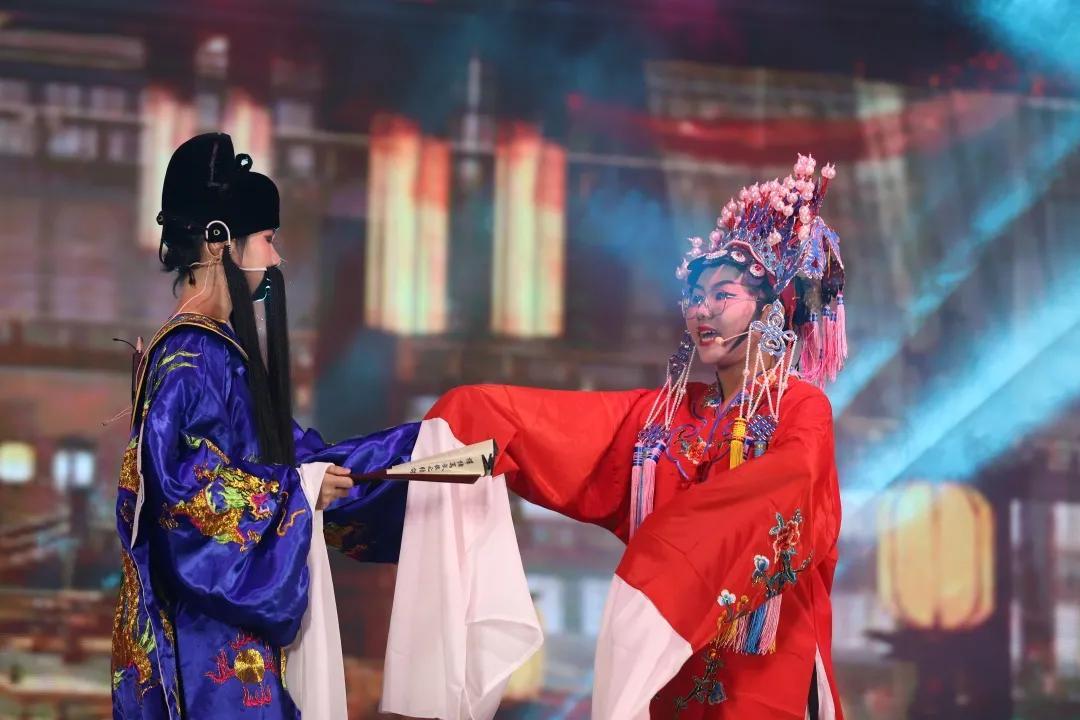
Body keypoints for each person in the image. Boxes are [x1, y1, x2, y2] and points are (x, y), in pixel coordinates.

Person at [382, 154, 847, 719]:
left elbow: (791, 486)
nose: (701, 310)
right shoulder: (666, 415)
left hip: (762, 668)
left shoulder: (802, 407)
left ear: (773, 309)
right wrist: (453, 428)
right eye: (695, 296)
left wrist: (668, 557)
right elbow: (546, 428)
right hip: (668, 667)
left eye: (722, 295)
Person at [111, 133, 418, 719]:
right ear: (219, 240)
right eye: (269, 240)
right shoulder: (192, 358)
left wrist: (422, 454)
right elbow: (183, 494)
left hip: (227, 632)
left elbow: (299, 459)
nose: (276, 260)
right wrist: (294, 491)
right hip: (205, 650)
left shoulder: (215, 354)